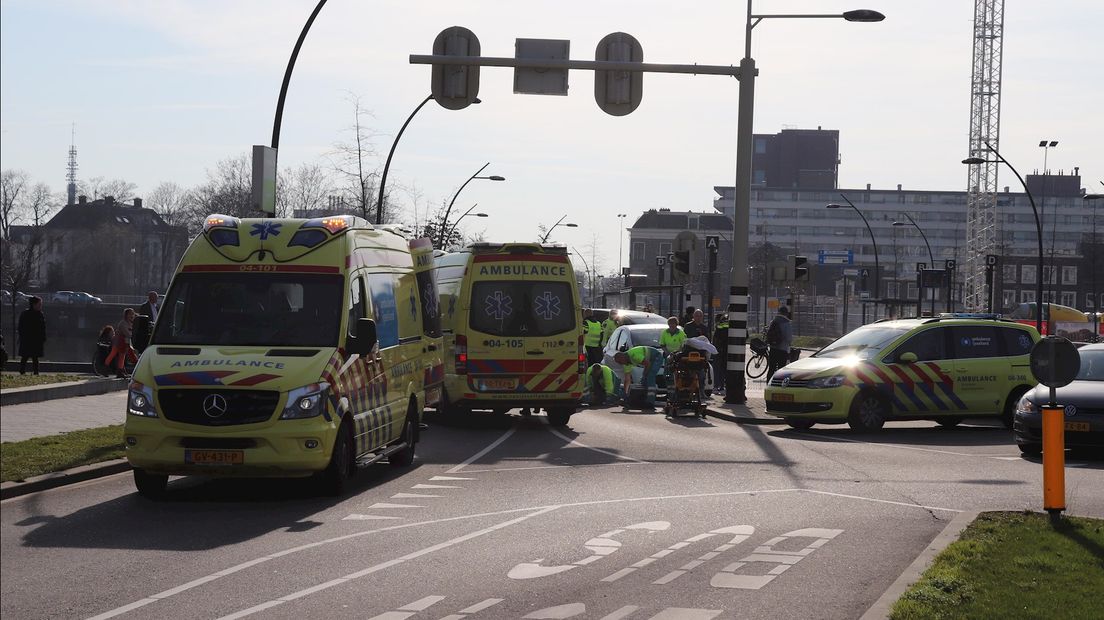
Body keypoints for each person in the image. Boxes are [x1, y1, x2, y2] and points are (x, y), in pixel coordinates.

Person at [105, 308, 139, 379]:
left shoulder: (131, 323)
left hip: (124, 342)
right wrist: (134, 335)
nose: (132, 316)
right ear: (126, 315)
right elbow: (127, 333)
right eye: (130, 314)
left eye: (132, 314)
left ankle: (120, 371)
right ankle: (105, 368)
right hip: (118, 341)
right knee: (114, 354)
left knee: (122, 356)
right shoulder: (123, 323)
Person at [17, 296, 46, 375]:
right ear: (34, 304)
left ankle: (35, 372)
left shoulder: (39, 314)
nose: (40, 306)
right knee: (26, 356)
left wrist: (43, 337)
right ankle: (23, 371)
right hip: (28, 339)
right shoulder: (27, 314)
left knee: (34, 357)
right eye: (39, 304)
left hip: (35, 339)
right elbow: (21, 327)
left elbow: (43, 327)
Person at [765, 306, 793, 381]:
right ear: (786, 313)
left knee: (771, 368)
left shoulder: (773, 321)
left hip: (773, 349)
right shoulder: (787, 323)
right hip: (782, 350)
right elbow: (789, 338)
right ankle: (778, 385)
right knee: (781, 370)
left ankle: (769, 383)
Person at [711, 313, 729, 395]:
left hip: (720, 348)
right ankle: (722, 386)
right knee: (723, 369)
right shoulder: (729, 321)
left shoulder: (722, 322)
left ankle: (717, 386)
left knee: (718, 368)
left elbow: (717, 335)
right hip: (726, 349)